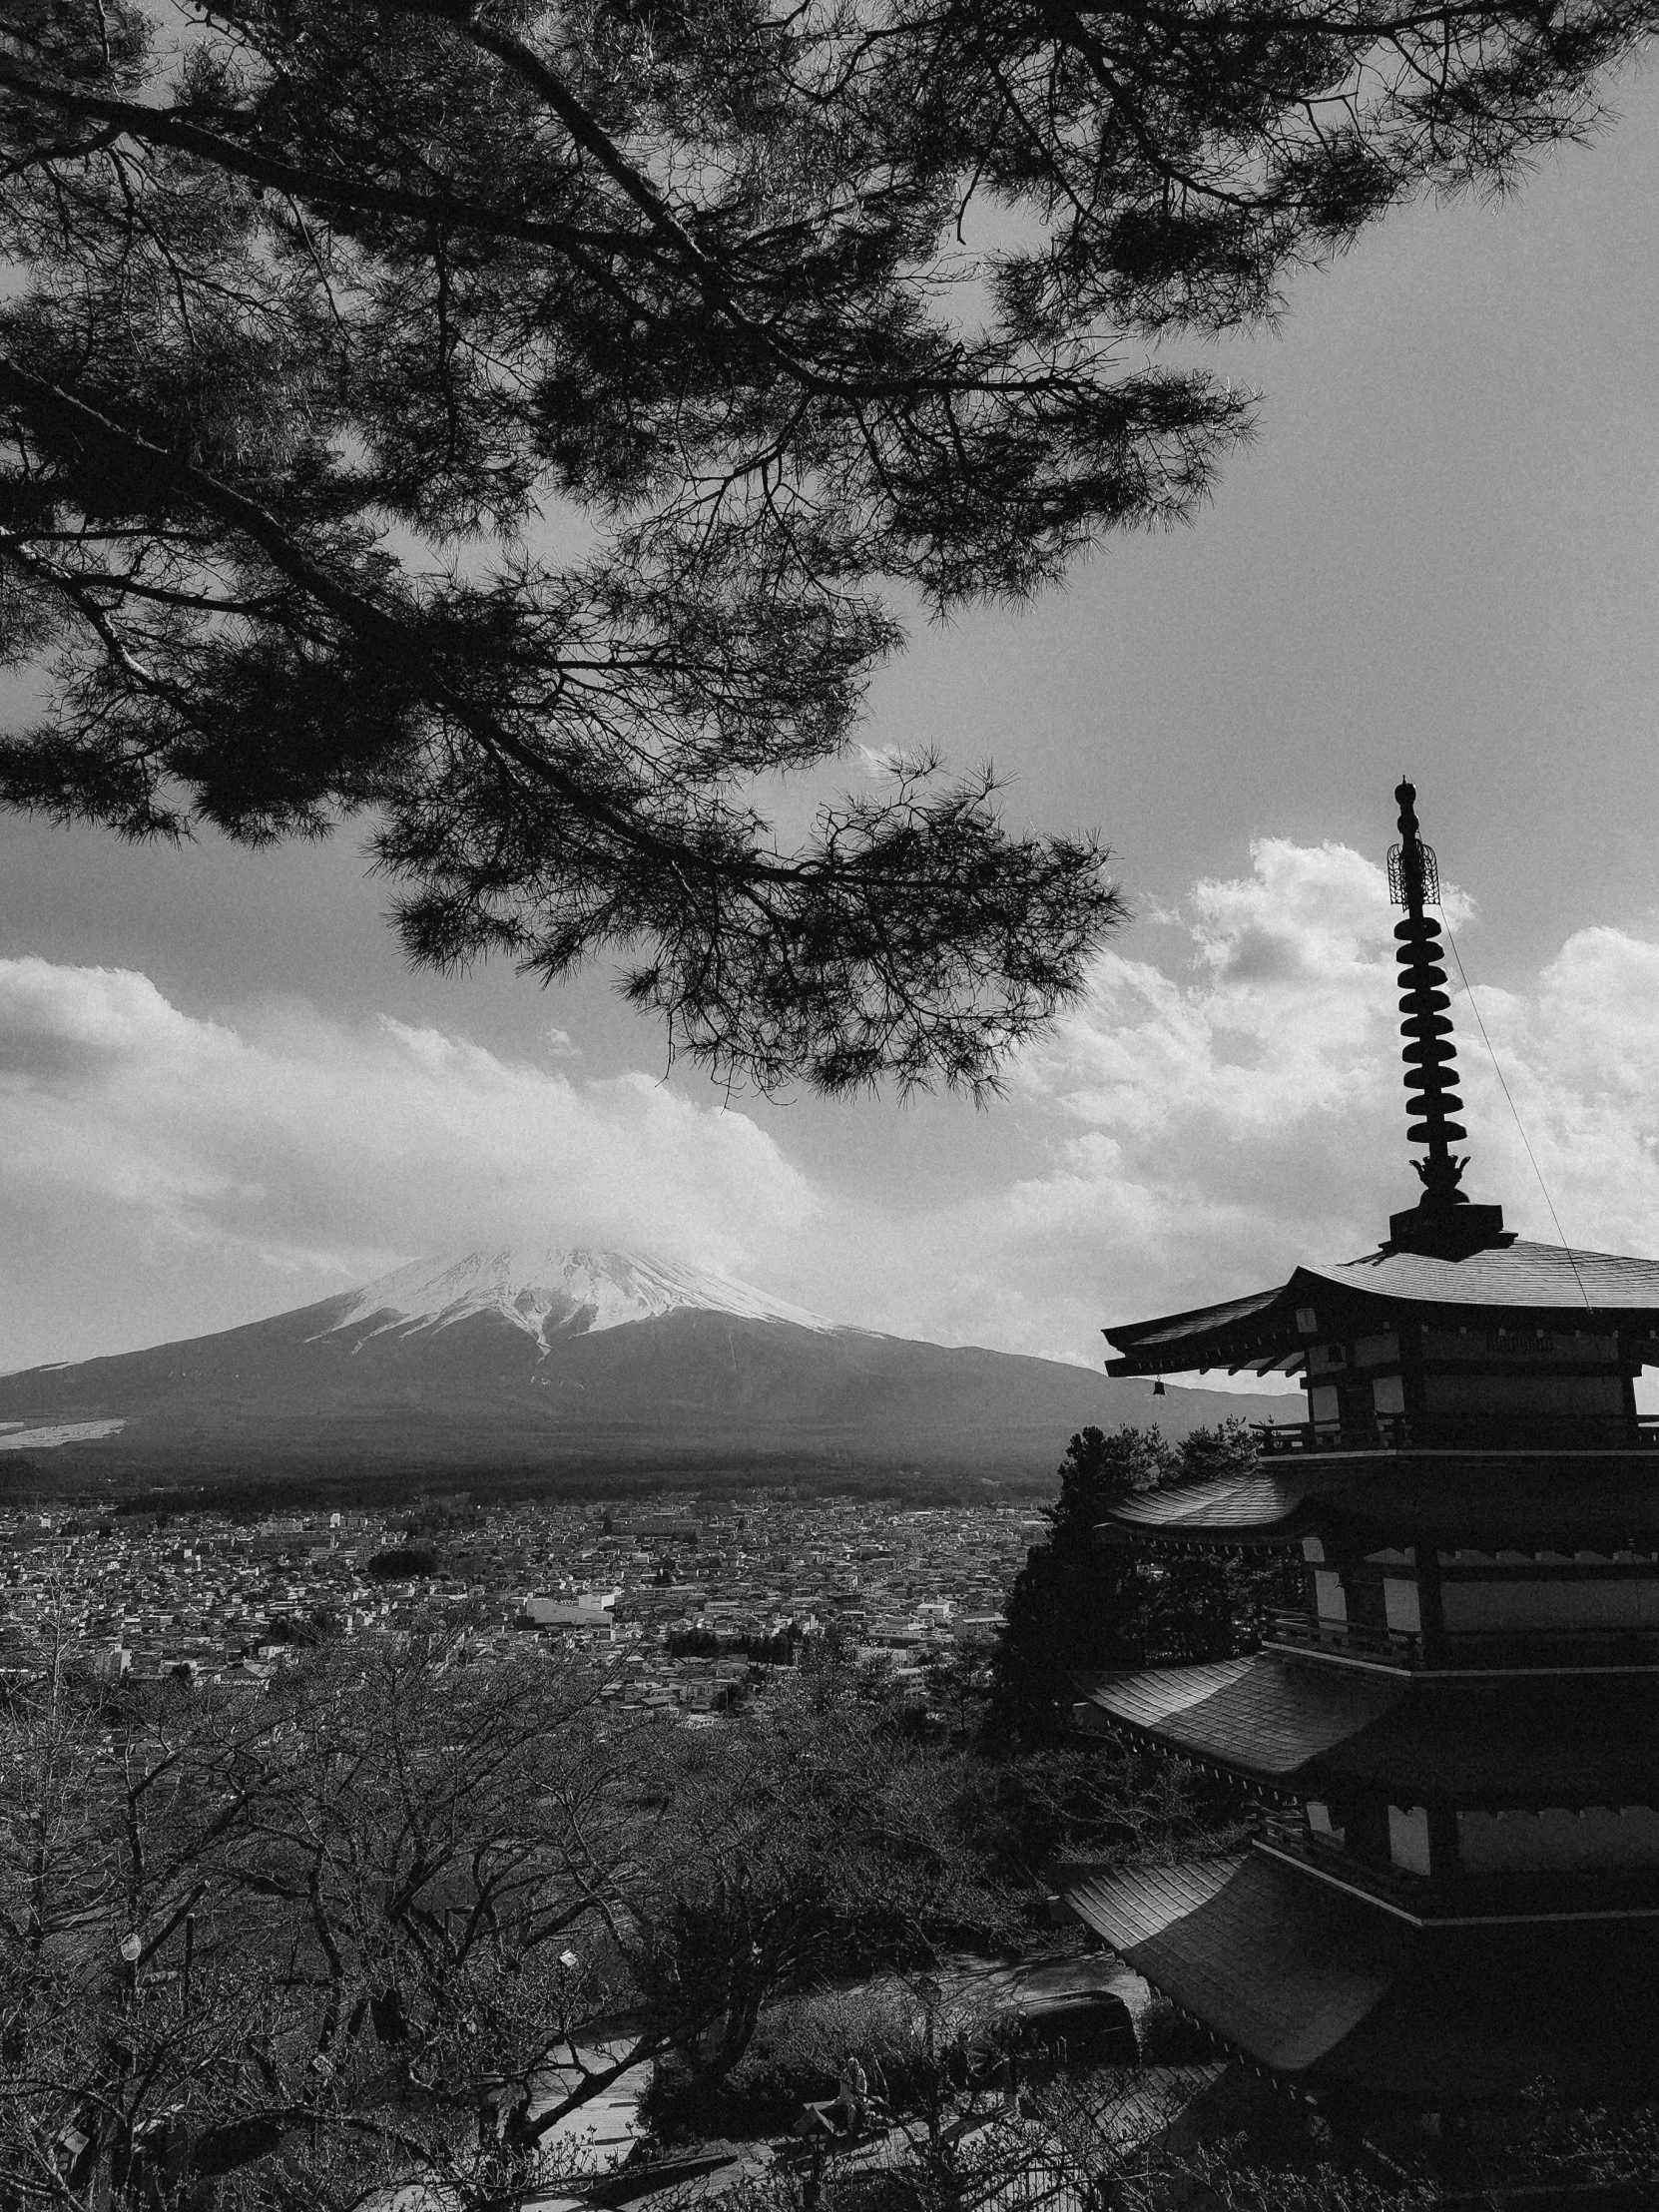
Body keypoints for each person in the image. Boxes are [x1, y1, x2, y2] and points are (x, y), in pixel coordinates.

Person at [834, 2053, 868, 2136]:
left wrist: (862, 2095)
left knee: (865, 2106)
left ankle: (865, 2126)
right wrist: (853, 2099)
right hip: (847, 2097)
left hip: (859, 2096)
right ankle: (851, 2128)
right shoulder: (844, 2074)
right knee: (852, 2108)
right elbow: (843, 2091)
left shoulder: (861, 2071)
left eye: (856, 2067)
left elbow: (864, 2084)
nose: (855, 2069)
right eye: (853, 2067)